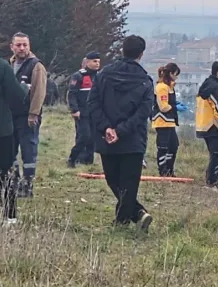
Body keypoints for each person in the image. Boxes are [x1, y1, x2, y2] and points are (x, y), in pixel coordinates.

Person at [86, 35, 154, 231]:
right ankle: (135, 215)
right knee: (129, 183)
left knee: (113, 180)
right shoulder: (145, 81)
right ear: (141, 54)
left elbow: (93, 103)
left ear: (122, 50)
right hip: (133, 139)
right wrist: (121, 131)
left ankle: (125, 220)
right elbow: (143, 113)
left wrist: (107, 128)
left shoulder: (103, 75)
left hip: (107, 138)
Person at [8, 32, 47, 198]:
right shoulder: (10, 64)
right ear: (12, 47)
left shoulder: (36, 66)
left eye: (25, 45)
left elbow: (39, 92)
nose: (22, 48)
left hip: (27, 116)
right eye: (18, 45)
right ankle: (14, 181)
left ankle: (28, 184)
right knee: (10, 149)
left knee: (28, 150)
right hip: (10, 116)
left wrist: (33, 114)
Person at [0, 58, 30, 224]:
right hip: (2, 129)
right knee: (5, 172)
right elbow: (17, 97)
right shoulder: (3, 67)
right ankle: (9, 215)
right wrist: (25, 88)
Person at [195, 61, 218, 191]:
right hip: (214, 126)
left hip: (205, 125)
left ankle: (214, 181)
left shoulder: (206, 85)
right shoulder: (215, 88)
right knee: (217, 153)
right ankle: (212, 183)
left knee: (214, 155)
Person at [152, 63, 188, 177]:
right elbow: (163, 106)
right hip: (162, 121)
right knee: (163, 147)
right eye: (176, 75)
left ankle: (170, 170)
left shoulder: (170, 87)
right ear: (171, 74)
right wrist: (175, 107)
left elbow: (169, 101)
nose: (177, 77)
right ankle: (163, 171)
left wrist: (175, 103)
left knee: (173, 146)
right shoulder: (162, 87)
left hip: (170, 121)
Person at [67, 52, 101, 168]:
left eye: (98, 62)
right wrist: (74, 109)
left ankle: (88, 161)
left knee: (92, 138)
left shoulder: (100, 76)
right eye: (94, 61)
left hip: (95, 113)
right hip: (82, 113)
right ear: (87, 62)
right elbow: (72, 94)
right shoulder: (79, 76)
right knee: (84, 136)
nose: (97, 64)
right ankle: (73, 158)